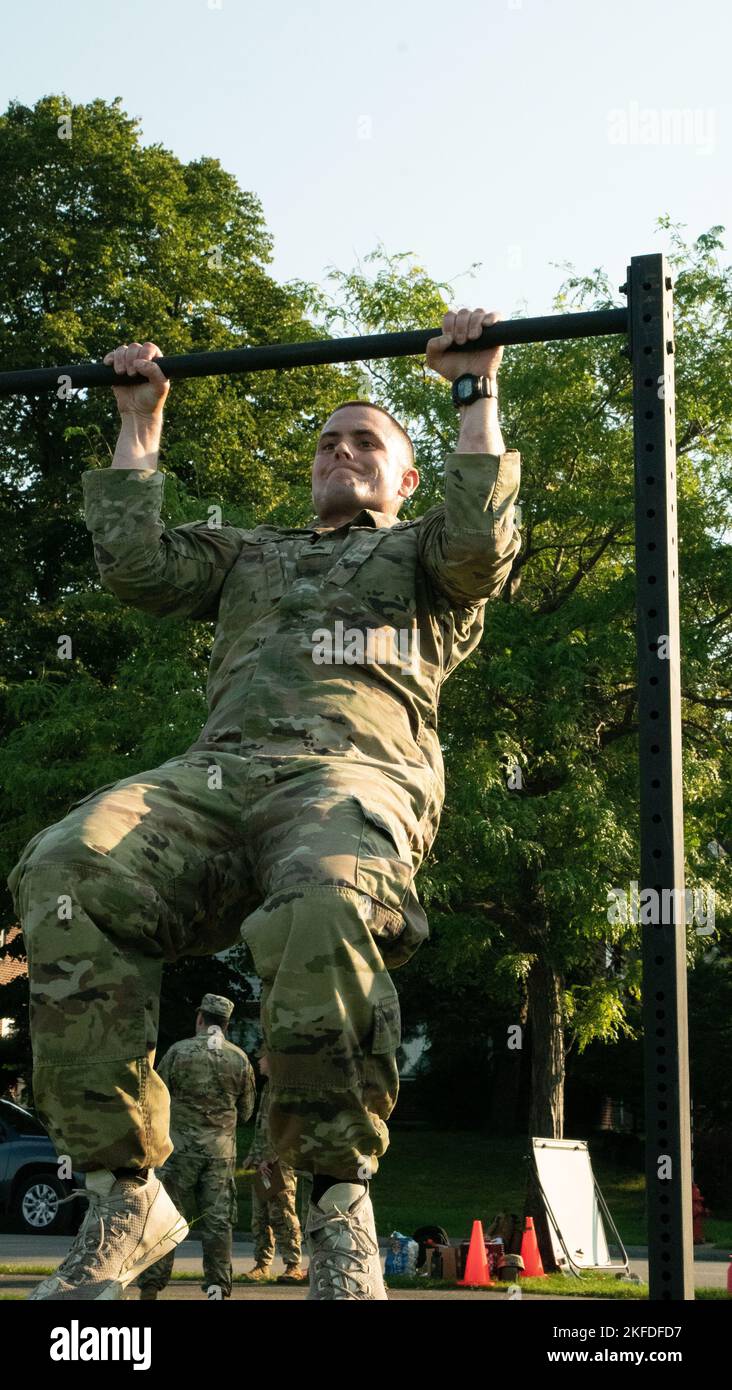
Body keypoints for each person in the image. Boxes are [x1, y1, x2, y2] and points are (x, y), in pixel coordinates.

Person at [7, 305, 521, 1300]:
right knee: (64, 866)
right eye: (328, 441)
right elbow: (138, 567)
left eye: (366, 440)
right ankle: (125, 1198)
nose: (341, 451)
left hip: (352, 773)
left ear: (406, 477)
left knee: (323, 899)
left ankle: (337, 1210)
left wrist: (475, 389)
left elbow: (481, 545)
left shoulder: (424, 556)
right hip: (215, 775)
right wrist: (139, 421)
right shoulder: (252, 553)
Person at [137, 993, 255, 1300]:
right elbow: (246, 1111)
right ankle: (217, 1289)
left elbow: (156, 1095)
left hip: (179, 1152)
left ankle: (151, 1287)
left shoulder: (178, 1052)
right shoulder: (238, 1059)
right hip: (219, 1154)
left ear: (200, 1018)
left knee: (166, 1218)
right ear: (227, 1025)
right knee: (217, 1224)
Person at [244, 1048, 305, 1284]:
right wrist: (254, 1156)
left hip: (281, 1162)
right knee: (260, 1216)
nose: (259, 1061)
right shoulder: (268, 1088)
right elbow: (262, 1127)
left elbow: (293, 1127)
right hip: (263, 1163)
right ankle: (262, 1264)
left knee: (283, 1213)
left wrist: (274, 1156)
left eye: (263, 1057)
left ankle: (293, 1264)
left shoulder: (286, 1089)